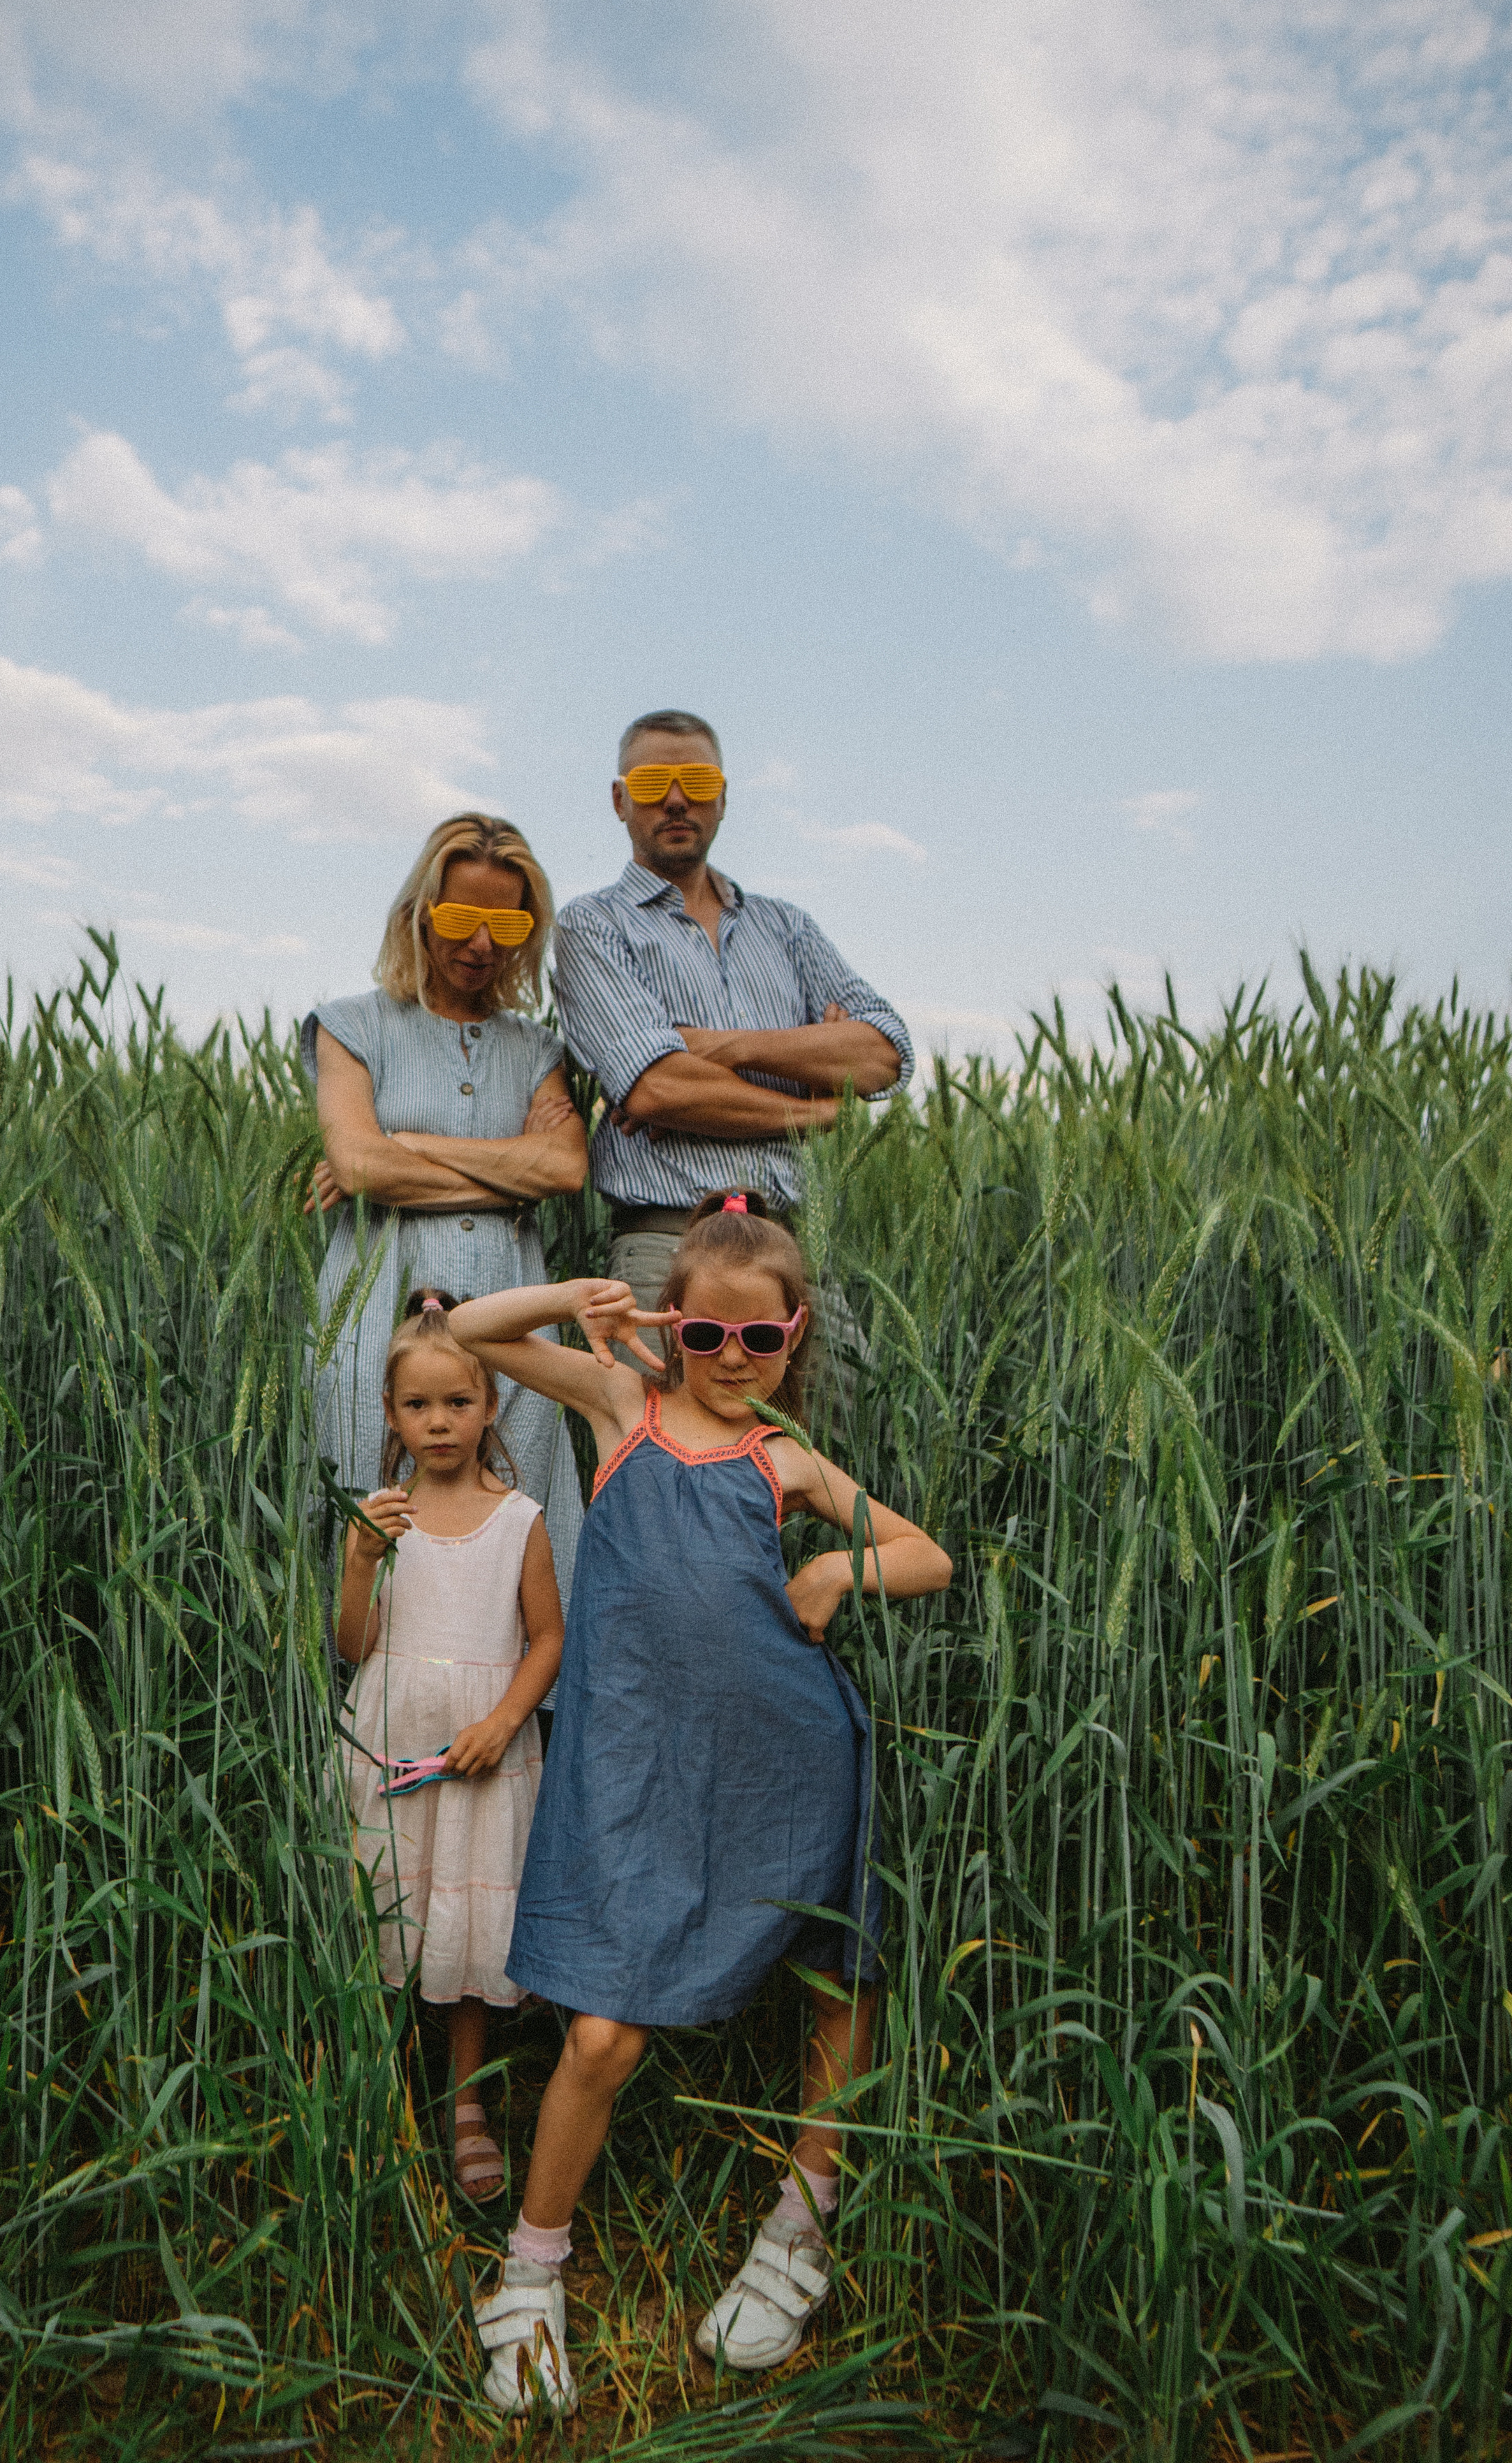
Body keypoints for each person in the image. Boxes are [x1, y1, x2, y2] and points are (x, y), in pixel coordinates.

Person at [446, 1193, 952, 2414]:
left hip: (785, 1763)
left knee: (833, 1979)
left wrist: (834, 1567)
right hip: (636, 1766)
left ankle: (798, 2227)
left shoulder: (787, 1460)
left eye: (760, 1338)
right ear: (669, 1326)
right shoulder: (623, 1406)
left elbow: (927, 1555)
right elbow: (472, 1331)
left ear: (795, 1334)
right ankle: (531, 2272)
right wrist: (576, 1299)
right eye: (706, 1334)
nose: (732, 1358)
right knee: (602, 2033)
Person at [551, 713, 914, 1349]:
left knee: (833, 1417)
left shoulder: (787, 927)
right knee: (666, 1421)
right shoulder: (594, 925)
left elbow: (885, 1054)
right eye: (652, 783)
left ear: (722, 797)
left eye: (696, 781)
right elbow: (658, 1089)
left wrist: (718, 1046)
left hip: (789, 1251)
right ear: (619, 800)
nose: (675, 799)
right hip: (667, 1248)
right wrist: (817, 1105)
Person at [301, 813, 588, 1613]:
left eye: (508, 925)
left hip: (516, 1320)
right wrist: (512, 1175)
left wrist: (412, 1145)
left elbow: (566, 1167)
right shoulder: (352, 1027)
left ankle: (520, 1692)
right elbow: (358, 1165)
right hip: (372, 1312)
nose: (483, 944)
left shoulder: (536, 1049)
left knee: (524, 1525)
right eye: (462, 918)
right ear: (419, 913)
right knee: (373, 1517)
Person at [335, 1292, 565, 2204]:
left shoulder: (520, 1519)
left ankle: (466, 2101)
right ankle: (376, 2085)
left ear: (491, 1406)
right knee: (386, 1912)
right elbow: (353, 1645)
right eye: (418, 1405)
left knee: (468, 1933)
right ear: (391, 1415)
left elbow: (547, 1639)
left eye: (459, 1402)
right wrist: (358, 1563)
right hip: (389, 1746)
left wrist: (504, 1721)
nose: (439, 1422)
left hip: (481, 1760)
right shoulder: (378, 1521)